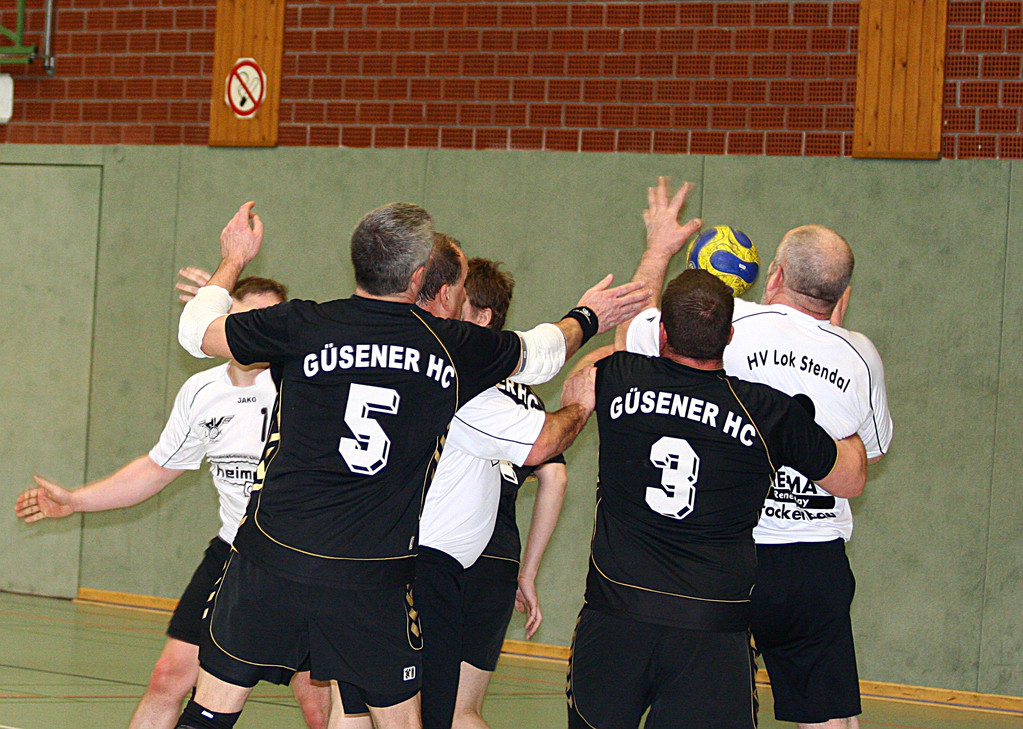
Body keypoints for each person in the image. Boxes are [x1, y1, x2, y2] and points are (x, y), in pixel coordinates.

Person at [173, 201, 647, 729]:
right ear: (420, 276)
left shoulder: (303, 323)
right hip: (371, 580)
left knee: (209, 713)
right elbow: (544, 353)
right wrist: (588, 317)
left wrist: (234, 258)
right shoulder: (452, 345)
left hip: (271, 559)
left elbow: (196, 331)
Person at [622, 178, 894, 729]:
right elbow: (864, 456)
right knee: (830, 717)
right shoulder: (861, 354)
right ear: (843, 295)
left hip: (724, 556)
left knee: (700, 709)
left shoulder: (724, 325)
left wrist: (658, 251)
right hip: (811, 561)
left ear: (774, 275)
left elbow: (632, 333)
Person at [14, 277, 331, 729]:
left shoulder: (304, 384)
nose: (260, 330)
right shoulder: (202, 391)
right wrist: (76, 500)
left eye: (270, 319)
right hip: (233, 552)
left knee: (318, 704)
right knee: (167, 678)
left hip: (300, 559)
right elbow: (158, 468)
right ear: (227, 322)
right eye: (249, 319)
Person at [567, 268, 867, 729]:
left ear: (663, 332)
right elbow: (850, 479)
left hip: (616, 616)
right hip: (713, 632)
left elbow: (584, 378)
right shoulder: (767, 410)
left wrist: (657, 255)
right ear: (729, 336)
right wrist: (840, 393)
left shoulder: (616, 376)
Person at [328, 239, 589, 729]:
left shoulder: (408, 362)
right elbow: (550, 462)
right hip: (432, 563)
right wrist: (582, 400)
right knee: (442, 713)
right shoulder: (467, 380)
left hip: (377, 553)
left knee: (360, 708)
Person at [451, 258, 568, 729]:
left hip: (447, 552)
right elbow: (555, 477)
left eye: (454, 301)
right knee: (463, 711)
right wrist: (528, 571)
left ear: (483, 316)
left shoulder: (455, 376)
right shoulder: (525, 395)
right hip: (499, 558)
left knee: (401, 704)